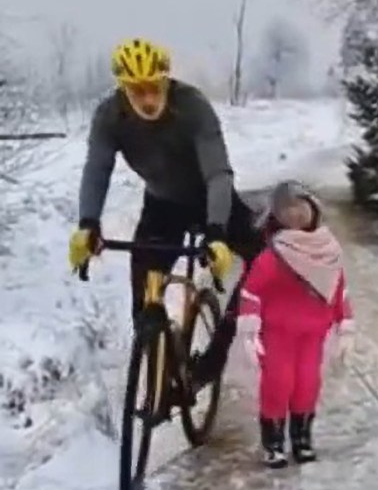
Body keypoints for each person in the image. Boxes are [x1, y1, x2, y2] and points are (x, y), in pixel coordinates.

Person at [68, 37, 262, 387]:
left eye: (153, 88)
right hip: (163, 204)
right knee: (143, 292)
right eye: (135, 90)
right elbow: (97, 169)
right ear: (122, 89)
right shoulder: (110, 116)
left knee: (263, 262)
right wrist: (88, 223)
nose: (147, 99)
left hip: (211, 200)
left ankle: (212, 361)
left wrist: (216, 231)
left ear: (166, 81)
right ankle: (157, 350)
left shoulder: (192, 106)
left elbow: (218, 172)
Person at [238, 181, 354, 467]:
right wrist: (250, 327)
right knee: (278, 383)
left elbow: (338, 289)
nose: (295, 213)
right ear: (276, 216)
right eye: (286, 208)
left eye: (300, 205)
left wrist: (346, 323)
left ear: (313, 208)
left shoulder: (328, 251)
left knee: (308, 382)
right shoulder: (274, 255)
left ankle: (302, 437)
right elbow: (252, 290)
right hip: (278, 333)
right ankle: (274, 441)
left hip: (313, 334)